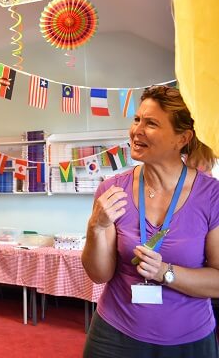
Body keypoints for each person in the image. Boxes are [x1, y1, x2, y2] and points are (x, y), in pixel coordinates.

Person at [82, 85, 219, 357]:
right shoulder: (112, 190)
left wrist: (165, 273)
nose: (136, 131)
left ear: (182, 137)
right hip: (114, 336)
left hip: (188, 340)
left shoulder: (211, 195)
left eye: (151, 123)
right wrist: (96, 227)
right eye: (136, 120)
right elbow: (99, 275)